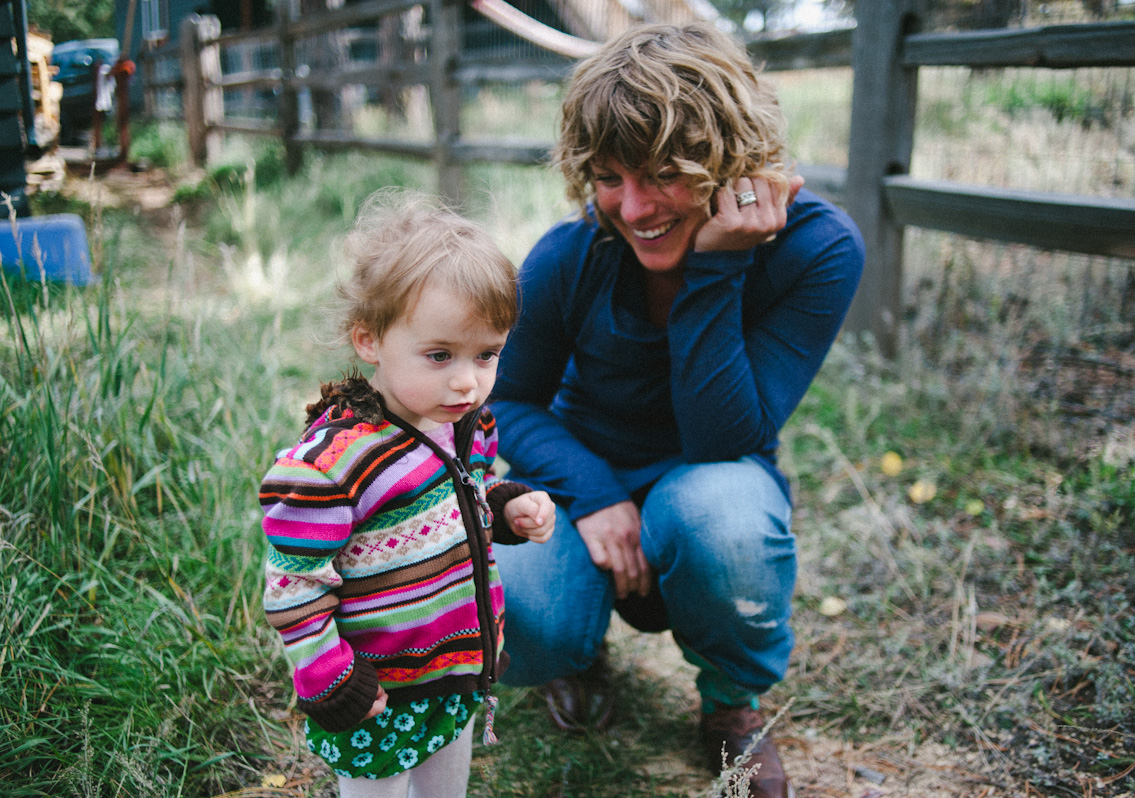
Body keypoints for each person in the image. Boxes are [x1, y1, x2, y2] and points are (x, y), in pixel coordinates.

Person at [488, 22, 864, 798]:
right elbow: (508, 402)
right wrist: (592, 494)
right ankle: (578, 645)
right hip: (577, 474)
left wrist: (719, 264)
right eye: (609, 176)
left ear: (731, 160)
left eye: (663, 173)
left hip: (710, 475)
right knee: (520, 615)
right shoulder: (569, 255)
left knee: (724, 519)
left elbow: (723, 436)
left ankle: (732, 706)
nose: (633, 207)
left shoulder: (818, 251)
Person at [258, 189, 555, 798]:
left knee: (447, 785)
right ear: (370, 340)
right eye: (440, 355)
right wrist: (331, 678)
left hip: (453, 670)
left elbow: (464, 493)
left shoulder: (463, 423)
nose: (467, 379)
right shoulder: (334, 465)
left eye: (487, 354)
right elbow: (294, 582)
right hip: (376, 687)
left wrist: (504, 509)